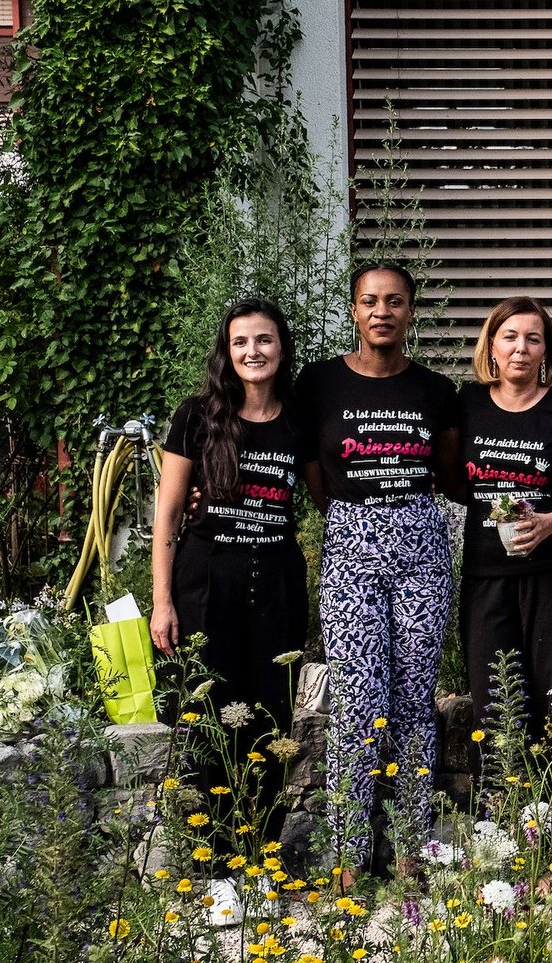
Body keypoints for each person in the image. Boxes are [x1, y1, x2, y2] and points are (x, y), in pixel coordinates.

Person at [296, 262, 459, 880]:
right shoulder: (320, 383)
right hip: (351, 543)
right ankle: (349, 856)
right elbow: (312, 470)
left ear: (410, 311)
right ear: (354, 310)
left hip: (421, 547)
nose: (382, 312)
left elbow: (449, 472)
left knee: (415, 698)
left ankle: (411, 849)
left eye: (394, 301)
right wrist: (352, 517)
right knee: (357, 701)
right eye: (370, 301)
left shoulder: (435, 390)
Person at [151, 298, 309, 921]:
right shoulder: (197, 417)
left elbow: (327, 494)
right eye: (240, 342)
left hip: (276, 585)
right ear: (227, 351)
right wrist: (162, 601)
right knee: (211, 723)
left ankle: (260, 861)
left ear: (281, 348)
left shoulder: (298, 420)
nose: (252, 351)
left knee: (270, 721)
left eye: (263, 340)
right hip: (206, 585)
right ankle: (219, 874)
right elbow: (168, 515)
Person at [455, 295, 552, 738]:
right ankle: (497, 786)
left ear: (546, 351)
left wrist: (551, 522)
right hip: (486, 577)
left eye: (533, 339)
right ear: (491, 346)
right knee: (494, 708)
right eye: (510, 337)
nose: (521, 348)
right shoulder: (467, 404)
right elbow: (447, 475)